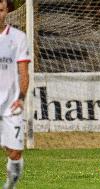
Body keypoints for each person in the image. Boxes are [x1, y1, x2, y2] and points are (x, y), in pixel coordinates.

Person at [0, 0, 31, 188]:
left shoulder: (18, 38)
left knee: (14, 152)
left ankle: (10, 186)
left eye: (1, 10)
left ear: (6, 11)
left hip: (10, 104)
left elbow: (24, 73)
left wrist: (21, 98)